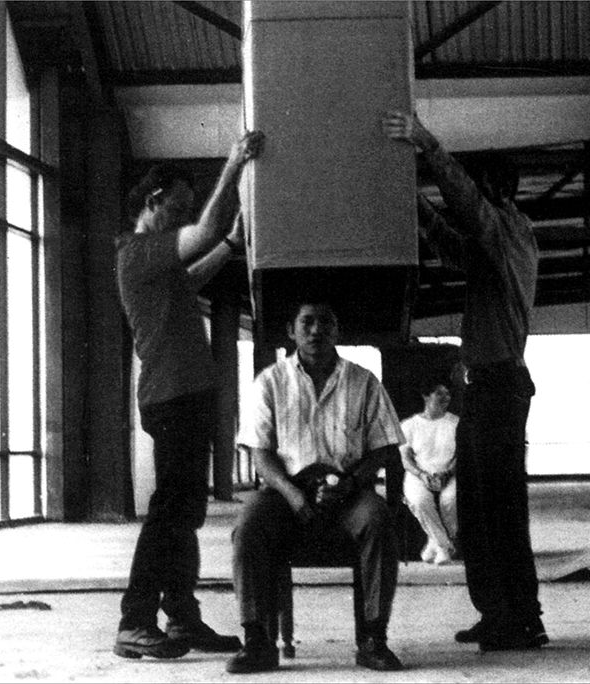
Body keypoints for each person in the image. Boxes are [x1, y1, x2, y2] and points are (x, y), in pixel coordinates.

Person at [383, 111, 547, 652]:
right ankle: (504, 613)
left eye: (480, 190)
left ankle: (516, 618)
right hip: (490, 387)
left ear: (496, 191)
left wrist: (427, 146)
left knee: (494, 509)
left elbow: (468, 211)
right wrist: (411, 201)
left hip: (499, 386)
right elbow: (451, 240)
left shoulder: (511, 232)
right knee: (484, 509)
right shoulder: (494, 250)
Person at [112, 131, 264, 659]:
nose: (183, 215)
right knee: (170, 512)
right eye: (176, 205)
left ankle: (180, 618)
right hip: (172, 397)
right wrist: (235, 163)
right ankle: (134, 621)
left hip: (185, 395)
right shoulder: (138, 250)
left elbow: (193, 273)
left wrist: (227, 247)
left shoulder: (159, 264)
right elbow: (205, 230)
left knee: (184, 514)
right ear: (153, 202)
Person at [227, 301, 406, 674]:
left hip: (349, 490)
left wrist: (352, 482)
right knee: (248, 523)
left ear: (337, 331)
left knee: (378, 519)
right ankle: (257, 640)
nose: (315, 330)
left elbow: (385, 446)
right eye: (306, 322)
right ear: (291, 330)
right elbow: (260, 453)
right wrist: (293, 495)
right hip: (286, 492)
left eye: (326, 322)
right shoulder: (270, 382)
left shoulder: (363, 381)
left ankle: (373, 639)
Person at [399, 379, 459, 565]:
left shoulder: (456, 423)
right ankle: (444, 546)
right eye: (439, 393)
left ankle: (435, 543)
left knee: (451, 501)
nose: (445, 398)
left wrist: (447, 473)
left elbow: (460, 455)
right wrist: (422, 475)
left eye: (447, 394)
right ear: (426, 396)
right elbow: (406, 460)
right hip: (418, 474)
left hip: (449, 473)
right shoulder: (409, 425)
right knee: (419, 500)